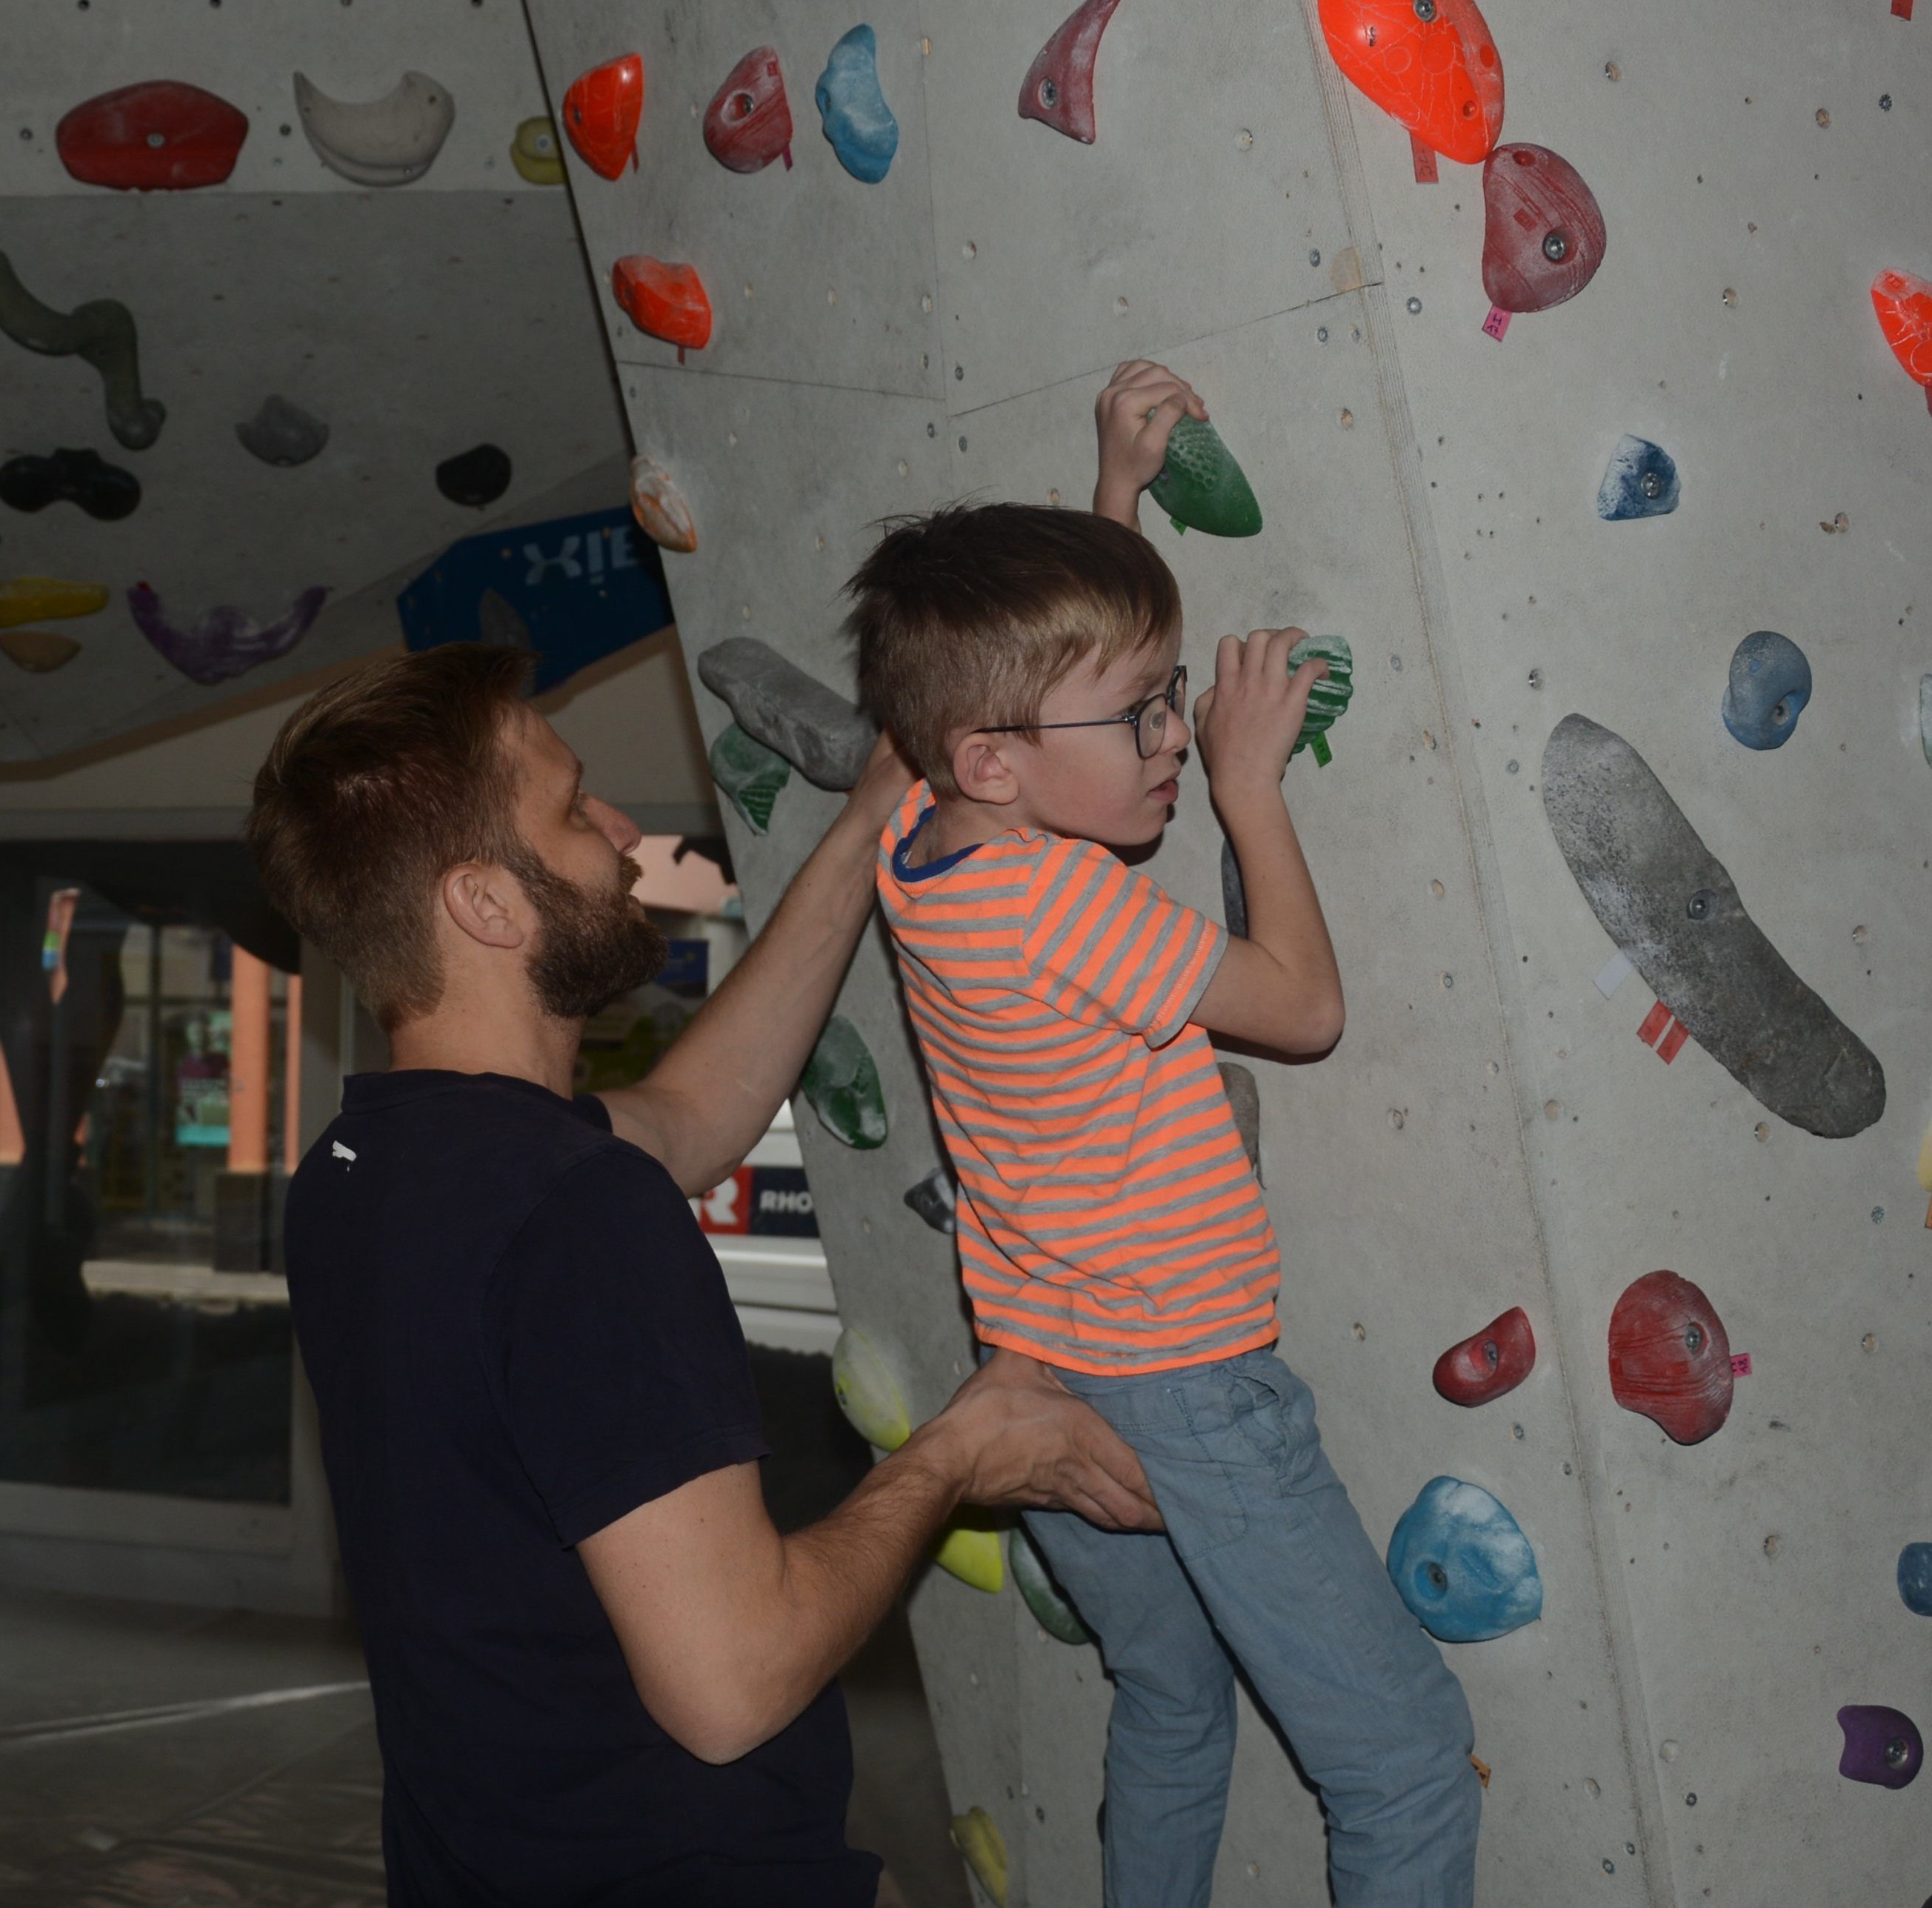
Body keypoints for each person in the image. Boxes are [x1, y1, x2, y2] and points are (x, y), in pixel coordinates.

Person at [247, 643, 1164, 1904]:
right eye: (571, 808)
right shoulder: (573, 1209)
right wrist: (959, 1452)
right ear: (486, 904)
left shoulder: (362, 1167)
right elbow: (731, 1687)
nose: (621, 832)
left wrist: (862, 831)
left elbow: (693, 1116)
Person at [847, 361, 1481, 1907]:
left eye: (1173, 699)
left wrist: (1113, 493)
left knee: (1173, 1701)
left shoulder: (919, 847)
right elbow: (1296, 1005)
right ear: (996, 756)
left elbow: (1028, 691)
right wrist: (1248, 786)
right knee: (1399, 1765)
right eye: (1140, 714)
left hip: (1046, 1367)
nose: (1168, 735)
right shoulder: (1055, 897)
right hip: (1182, 1376)